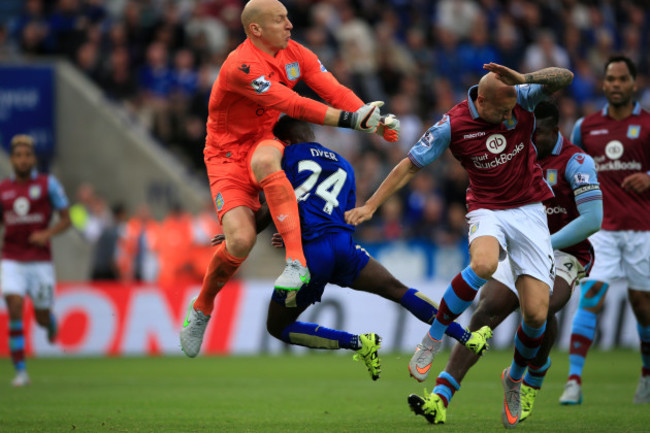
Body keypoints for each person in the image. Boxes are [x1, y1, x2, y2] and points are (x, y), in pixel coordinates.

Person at [346, 63, 574, 428]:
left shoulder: (521, 97)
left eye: (509, 112)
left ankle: (514, 377)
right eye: (500, 111)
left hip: (530, 209)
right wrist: (371, 205)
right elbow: (409, 165)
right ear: (481, 100)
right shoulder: (451, 125)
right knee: (482, 264)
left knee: (535, 315)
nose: (506, 118)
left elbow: (565, 77)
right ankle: (434, 335)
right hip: (486, 208)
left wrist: (524, 80)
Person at [179, 0, 399, 358]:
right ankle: (202, 307)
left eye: (287, 18)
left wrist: (369, 115)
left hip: (263, 141)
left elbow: (332, 88)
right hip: (225, 157)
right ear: (256, 29)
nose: (290, 25)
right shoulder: (241, 66)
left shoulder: (295, 52)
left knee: (268, 159)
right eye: (280, 20)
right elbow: (294, 104)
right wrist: (350, 121)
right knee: (239, 241)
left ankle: (295, 264)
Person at [213, 116, 491, 379]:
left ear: (283, 141)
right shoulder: (344, 165)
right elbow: (340, 214)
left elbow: (275, 201)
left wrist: (242, 234)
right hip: (344, 248)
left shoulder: (286, 157)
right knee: (398, 290)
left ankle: (358, 343)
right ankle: (467, 336)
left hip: (313, 255)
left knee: (277, 327)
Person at [406, 100, 602, 425]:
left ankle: (527, 378)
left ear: (552, 130)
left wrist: (545, 244)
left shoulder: (575, 161)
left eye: (532, 132)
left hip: (564, 250)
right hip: (519, 243)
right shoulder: (513, 150)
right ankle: (440, 397)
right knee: (487, 310)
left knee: (542, 307)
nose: (521, 135)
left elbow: (593, 218)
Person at [560, 55, 650, 405]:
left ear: (633, 83)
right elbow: (570, 172)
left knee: (642, 307)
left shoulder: (647, 125)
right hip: (602, 230)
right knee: (591, 296)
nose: (615, 84)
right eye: (610, 79)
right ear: (603, 83)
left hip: (642, 229)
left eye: (622, 79)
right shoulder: (586, 127)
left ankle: (645, 375)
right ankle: (573, 381)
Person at [0, 134, 71, 387]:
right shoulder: (3, 190)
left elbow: (67, 219)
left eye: (27, 155)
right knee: (15, 306)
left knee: (40, 317)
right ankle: (20, 370)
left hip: (40, 261)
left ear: (33, 158)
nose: (22, 160)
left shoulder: (47, 184)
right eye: (18, 155)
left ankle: (49, 322)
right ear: (12, 159)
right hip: (11, 258)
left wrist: (47, 233)